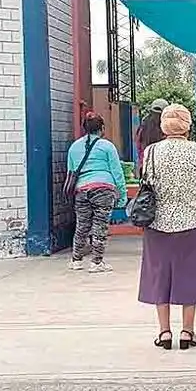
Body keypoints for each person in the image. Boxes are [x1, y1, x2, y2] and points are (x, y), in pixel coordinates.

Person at [138, 104, 196, 350]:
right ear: (187, 126)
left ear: (164, 126)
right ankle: (187, 331)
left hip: (158, 222)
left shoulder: (151, 151)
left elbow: (147, 179)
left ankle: (164, 332)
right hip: (191, 220)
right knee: (190, 273)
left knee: (159, 273)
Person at [68, 110, 128, 274]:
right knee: (100, 226)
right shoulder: (107, 146)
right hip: (103, 189)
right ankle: (96, 262)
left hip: (81, 190)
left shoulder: (74, 147)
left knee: (82, 225)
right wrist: (122, 195)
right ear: (102, 128)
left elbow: (71, 171)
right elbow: (117, 172)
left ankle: (76, 260)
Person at [135, 98, 168, 164]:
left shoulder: (143, 126)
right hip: (162, 163)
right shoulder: (168, 128)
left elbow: (138, 146)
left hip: (146, 162)